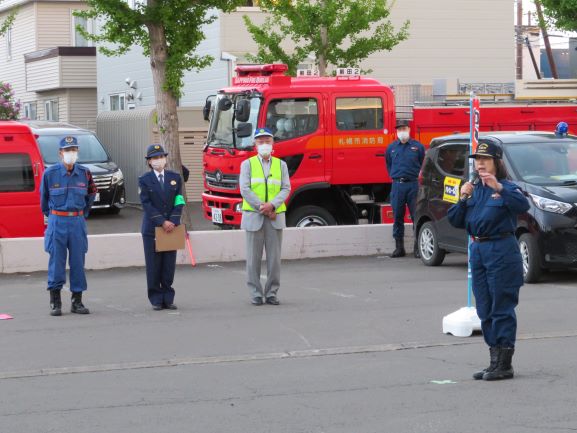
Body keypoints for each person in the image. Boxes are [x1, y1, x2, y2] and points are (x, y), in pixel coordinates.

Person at [447, 141, 530, 381]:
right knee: (484, 307)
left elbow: (523, 205)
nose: (480, 163)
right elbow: (455, 220)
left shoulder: (506, 187)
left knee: (501, 306)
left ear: (497, 163)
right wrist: (462, 197)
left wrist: (500, 189)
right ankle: (494, 361)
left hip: (501, 248)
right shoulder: (474, 188)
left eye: (486, 159)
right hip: (479, 249)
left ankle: (505, 363)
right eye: (477, 159)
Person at [40, 136, 97, 316]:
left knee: (78, 262)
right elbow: (43, 201)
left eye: (73, 150)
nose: (70, 153)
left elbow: (91, 194)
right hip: (58, 220)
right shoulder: (50, 173)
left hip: (77, 221)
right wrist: (55, 217)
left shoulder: (85, 173)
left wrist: (82, 214)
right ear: (60, 153)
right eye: (67, 150)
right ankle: (55, 301)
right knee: (56, 261)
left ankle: (77, 301)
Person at [240, 127, 291, 305]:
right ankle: (255, 293)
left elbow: (286, 188)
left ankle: (271, 293)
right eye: (260, 141)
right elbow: (244, 189)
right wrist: (262, 206)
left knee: (274, 260)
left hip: (275, 217)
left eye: (267, 141)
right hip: (254, 216)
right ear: (255, 145)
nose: (264, 145)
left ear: (273, 143)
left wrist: (273, 205)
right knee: (253, 260)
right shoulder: (247, 164)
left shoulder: (281, 165)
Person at [139, 144, 185, 311]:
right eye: (155, 158)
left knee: (168, 265)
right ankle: (156, 298)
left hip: (171, 228)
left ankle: (168, 297)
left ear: (165, 159)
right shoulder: (144, 180)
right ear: (149, 162)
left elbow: (179, 200)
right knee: (154, 265)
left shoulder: (175, 177)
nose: (159, 160)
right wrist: (161, 221)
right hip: (153, 229)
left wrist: (173, 219)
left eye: (161, 157)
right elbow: (146, 204)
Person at [385, 119, 426, 257]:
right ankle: (399, 248)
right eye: (399, 129)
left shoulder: (418, 147)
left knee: (416, 216)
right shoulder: (391, 148)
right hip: (397, 185)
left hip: (413, 185)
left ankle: (417, 248)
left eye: (404, 128)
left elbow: (422, 164)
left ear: (409, 129)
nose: (401, 131)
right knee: (397, 216)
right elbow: (389, 165)